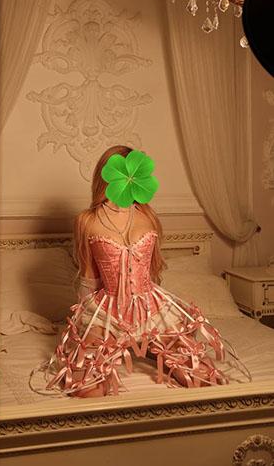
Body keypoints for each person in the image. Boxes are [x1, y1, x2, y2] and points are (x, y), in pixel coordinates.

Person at [29, 145, 251, 398]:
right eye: (122, 173)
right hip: (108, 313)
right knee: (86, 390)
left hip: (151, 309)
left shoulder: (148, 216)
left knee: (203, 378)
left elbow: (153, 272)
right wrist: (84, 327)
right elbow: (89, 276)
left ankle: (151, 347)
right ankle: (124, 351)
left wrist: (163, 327)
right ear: (108, 175)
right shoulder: (87, 220)